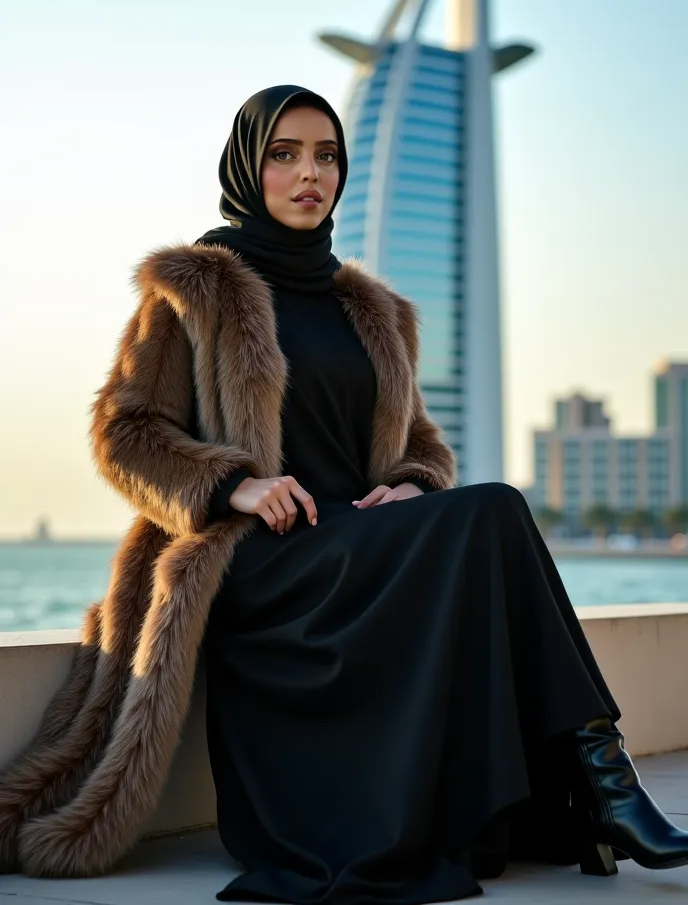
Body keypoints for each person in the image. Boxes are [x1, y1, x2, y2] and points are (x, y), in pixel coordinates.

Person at [1, 85, 687, 901]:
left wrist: (409, 485)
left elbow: (423, 444)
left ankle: (603, 781)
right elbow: (124, 433)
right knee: (498, 509)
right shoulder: (194, 287)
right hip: (261, 566)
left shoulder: (376, 310)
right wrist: (236, 485)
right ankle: (604, 787)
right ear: (248, 167)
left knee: (489, 508)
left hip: (361, 550)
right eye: (284, 154)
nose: (308, 174)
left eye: (326, 156)